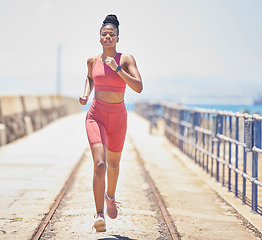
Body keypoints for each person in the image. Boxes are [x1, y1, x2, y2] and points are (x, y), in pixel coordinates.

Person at [79, 14, 143, 232]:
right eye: (104, 34)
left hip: (118, 117)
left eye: (112, 34)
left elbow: (138, 86)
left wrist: (117, 68)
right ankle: (99, 215)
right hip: (96, 114)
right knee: (100, 164)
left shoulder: (126, 60)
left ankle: (110, 197)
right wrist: (86, 94)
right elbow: (90, 77)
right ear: (99, 38)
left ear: (117, 38)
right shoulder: (92, 61)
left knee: (114, 164)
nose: (108, 37)